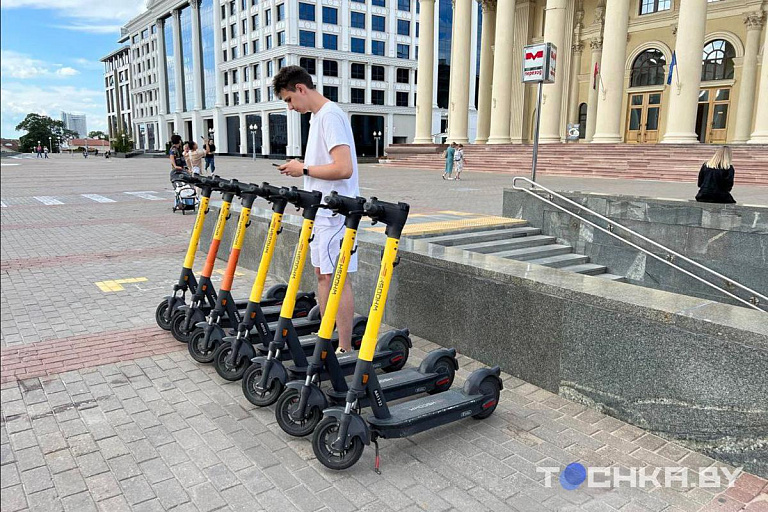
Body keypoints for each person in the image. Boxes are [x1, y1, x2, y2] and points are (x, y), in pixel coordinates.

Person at [273, 65, 359, 354]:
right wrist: (304, 172)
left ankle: (344, 347)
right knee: (323, 277)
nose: (289, 107)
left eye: (288, 100)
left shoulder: (330, 115)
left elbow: (343, 168)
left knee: (336, 279)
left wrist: (304, 168)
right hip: (323, 212)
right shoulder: (318, 118)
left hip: (336, 215)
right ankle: (327, 338)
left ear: (301, 89)